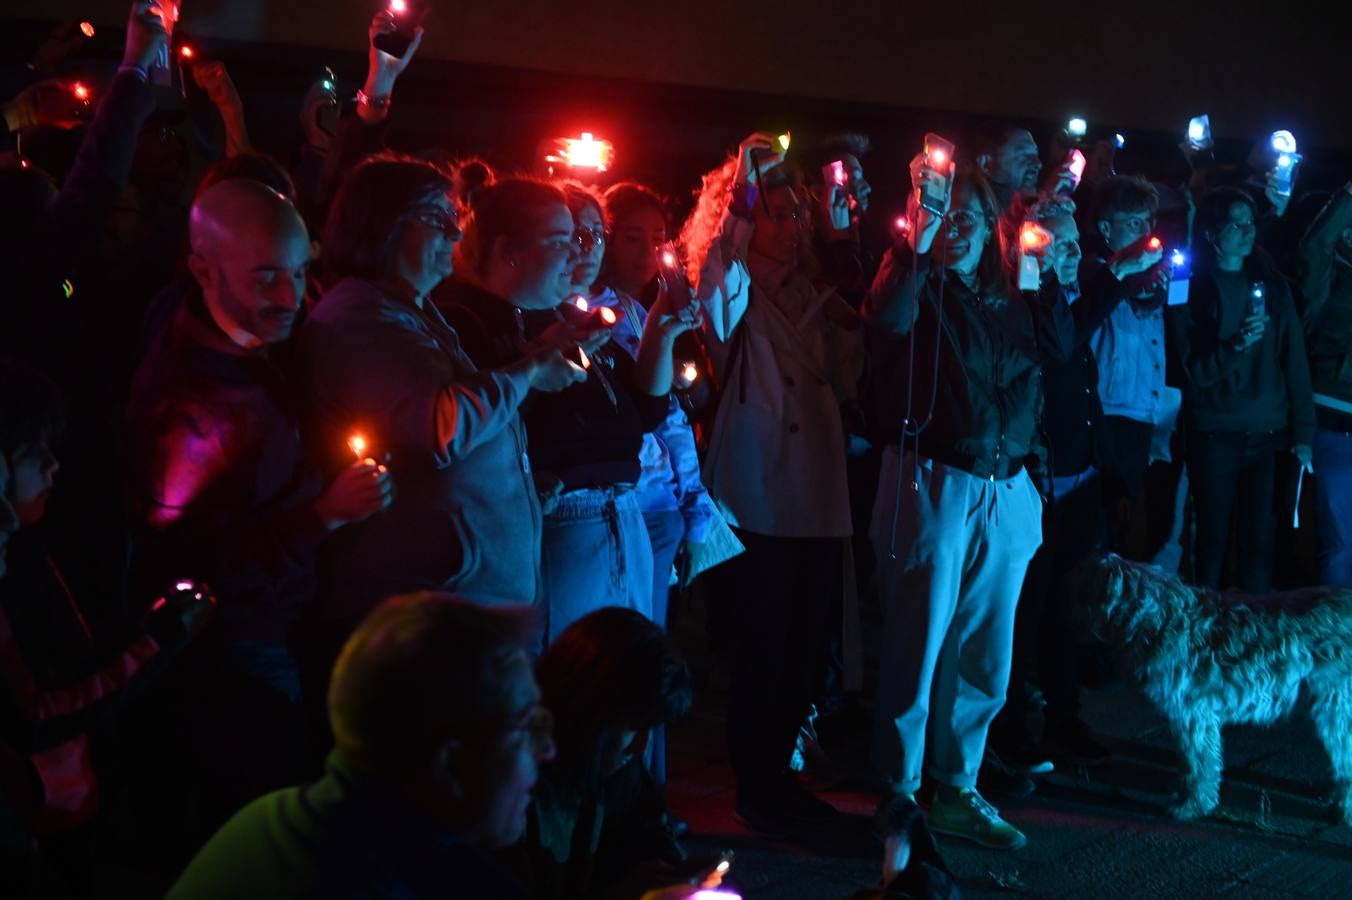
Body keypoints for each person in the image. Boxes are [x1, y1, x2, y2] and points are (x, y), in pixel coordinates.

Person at [125, 179, 395, 842]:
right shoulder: (192, 411)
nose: (290, 297)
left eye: (301, 273)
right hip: (240, 656)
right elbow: (190, 571)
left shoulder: (246, 351)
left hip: (279, 631)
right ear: (201, 268)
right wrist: (323, 516)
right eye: (267, 276)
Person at [298, 158, 581, 704]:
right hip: (434, 616)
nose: (455, 232)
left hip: (468, 607)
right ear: (384, 224)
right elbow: (439, 427)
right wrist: (530, 371)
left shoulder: (412, 310)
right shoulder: (359, 318)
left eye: (455, 215)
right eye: (437, 217)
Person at [864, 156, 1073, 851]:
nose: (957, 229)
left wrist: (1051, 283)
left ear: (993, 228)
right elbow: (886, 319)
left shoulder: (1013, 296)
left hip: (1005, 484)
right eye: (944, 214)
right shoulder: (915, 282)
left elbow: (1059, 357)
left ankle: (957, 786)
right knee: (916, 640)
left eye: (970, 217)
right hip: (934, 478)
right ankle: (898, 792)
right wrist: (915, 246)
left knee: (986, 651)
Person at [681, 132, 863, 835]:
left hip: (817, 491)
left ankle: (784, 771)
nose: (790, 228)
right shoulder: (734, 295)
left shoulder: (822, 296)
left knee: (804, 645)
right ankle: (757, 783)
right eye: (774, 213)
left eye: (797, 214)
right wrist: (740, 193)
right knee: (762, 645)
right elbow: (716, 283)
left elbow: (855, 379)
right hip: (758, 493)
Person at [439, 178, 696, 645]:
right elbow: (473, 428)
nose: (581, 252)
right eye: (566, 239)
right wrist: (533, 364)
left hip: (624, 521)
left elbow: (643, 414)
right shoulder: (468, 320)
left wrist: (661, 327)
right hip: (561, 530)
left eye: (593, 236)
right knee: (575, 689)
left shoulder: (562, 319)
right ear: (508, 251)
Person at [167, 592, 553, 899]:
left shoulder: (270, 820)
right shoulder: (374, 882)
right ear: (449, 765)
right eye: (528, 728)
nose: (546, 751)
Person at [0, 357, 211, 896]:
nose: (54, 467)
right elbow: (36, 718)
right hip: (36, 822)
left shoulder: (24, 544)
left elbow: (69, 660)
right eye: (32, 455)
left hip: (69, 802)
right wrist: (155, 644)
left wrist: (150, 629)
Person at [988, 193, 1164, 772]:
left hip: (1079, 479)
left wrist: (1106, 468)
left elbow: (1087, 396)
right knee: (1024, 611)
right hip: (1037, 484)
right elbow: (1062, 351)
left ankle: (1064, 718)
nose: (1071, 253)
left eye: (1073, 243)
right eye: (1057, 243)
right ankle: (1010, 727)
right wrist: (1112, 277)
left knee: (1064, 606)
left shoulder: (1063, 295)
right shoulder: (1024, 303)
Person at [1170, 186, 1315, 592]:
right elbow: (1191, 369)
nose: (1246, 231)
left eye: (1250, 222)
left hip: (1268, 435)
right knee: (1211, 542)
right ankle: (1206, 634)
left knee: (1259, 544)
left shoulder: (1274, 286)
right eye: (1235, 223)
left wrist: (1303, 432)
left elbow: (1295, 361)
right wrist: (1234, 348)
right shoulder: (1186, 284)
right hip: (1214, 433)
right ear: (1211, 233)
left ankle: (1251, 638)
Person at [506, 607, 693, 899]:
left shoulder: (620, 771)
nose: (640, 745)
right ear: (594, 707)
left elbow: (649, 837)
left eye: (649, 728)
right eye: (633, 726)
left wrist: (680, 873)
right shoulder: (518, 792)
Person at [1082, 177, 1177, 551]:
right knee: (1096, 526)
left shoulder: (1156, 280)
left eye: (1148, 222)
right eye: (1133, 222)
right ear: (1107, 228)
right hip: (1103, 416)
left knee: (1126, 527)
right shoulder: (1094, 273)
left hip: (1145, 419)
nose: (1145, 231)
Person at [1297, 181, 1352, 585]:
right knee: (1339, 547)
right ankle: (1334, 642)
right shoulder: (1332, 284)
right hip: (1336, 428)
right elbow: (1315, 248)